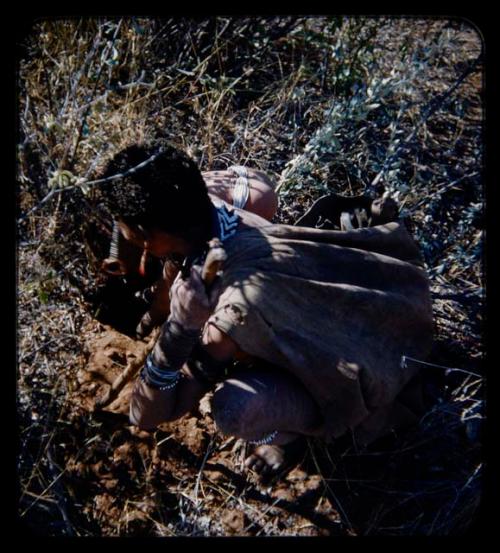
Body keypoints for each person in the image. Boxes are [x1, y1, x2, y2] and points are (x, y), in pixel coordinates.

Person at [95, 139, 434, 477]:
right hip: (390, 309)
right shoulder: (212, 203)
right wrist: (153, 314)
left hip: (367, 368)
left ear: (142, 234)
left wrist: (179, 329)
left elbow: (147, 415)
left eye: (124, 228)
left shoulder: (226, 317)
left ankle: (290, 439)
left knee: (233, 409)